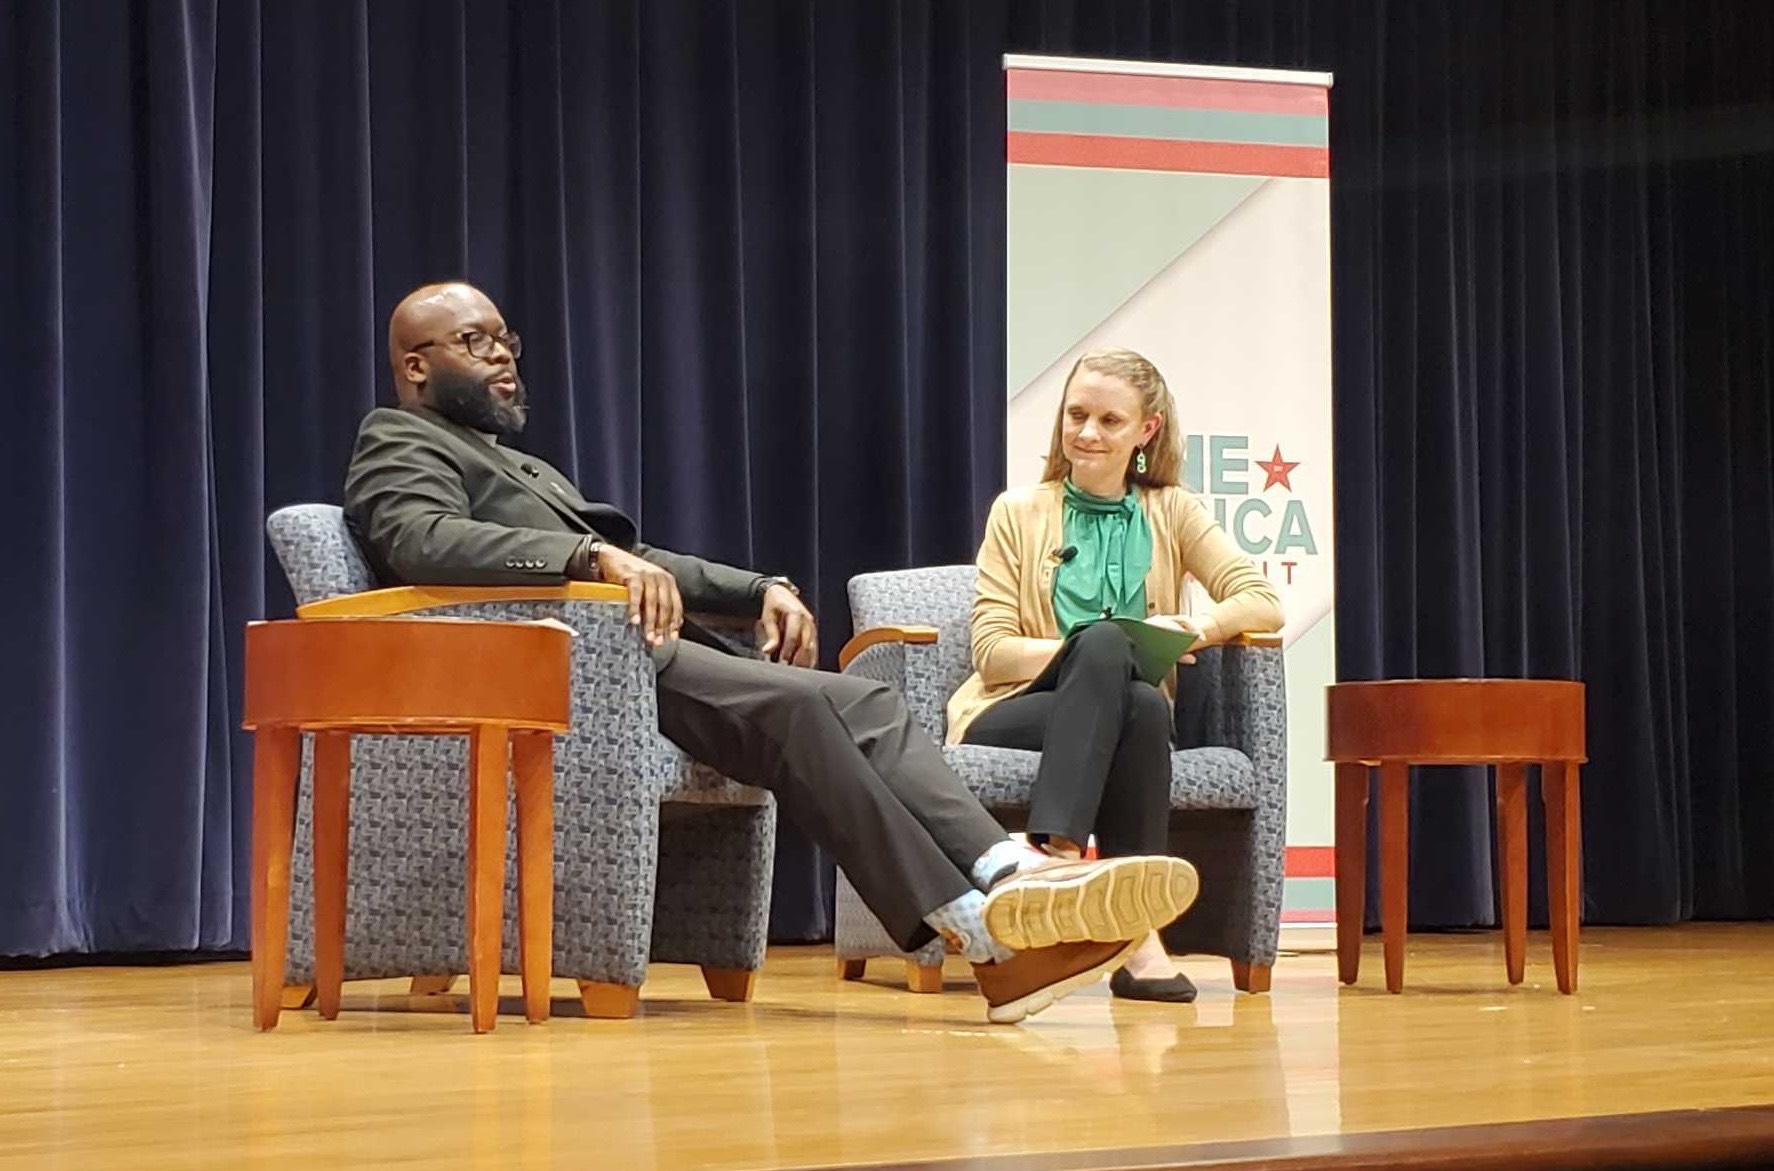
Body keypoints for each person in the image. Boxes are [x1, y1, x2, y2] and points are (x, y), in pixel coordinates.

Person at [343, 282, 1201, 1024]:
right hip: (562, 666)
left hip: (623, 652)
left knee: (858, 700)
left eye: (506, 341)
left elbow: (654, 565)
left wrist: (759, 588)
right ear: (415, 365)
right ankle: (987, 930)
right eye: (474, 341)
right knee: (801, 712)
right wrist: (587, 555)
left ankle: (1002, 874)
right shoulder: (398, 439)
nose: (503, 358)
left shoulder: (513, 464)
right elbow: (419, 542)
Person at [947, 347, 1284, 1003]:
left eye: (1108, 419)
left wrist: (1196, 627)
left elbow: (1259, 596)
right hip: (1011, 712)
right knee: (1106, 646)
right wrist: (1093, 646)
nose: (1087, 433)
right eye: (1076, 415)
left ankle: (1129, 928)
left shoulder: (1172, 511)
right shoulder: (1018, 511)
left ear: (1145, 431)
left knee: (1146, 704)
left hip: (1124, 717)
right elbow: (992, 650)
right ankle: (1067, 863)